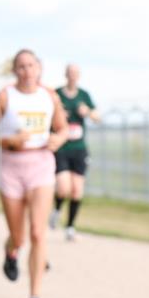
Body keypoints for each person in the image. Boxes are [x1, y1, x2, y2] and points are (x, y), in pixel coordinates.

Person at [0, 49, 68, 298]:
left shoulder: (50, 96)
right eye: (21, 66)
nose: (26, 71)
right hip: (12, 168)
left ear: (39, 68)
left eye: (31, 65)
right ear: (14, 71)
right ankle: (11, 252)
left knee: (39, 233)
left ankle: (35, 297)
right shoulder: (5, 97)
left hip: (41, 165)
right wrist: (9, 140)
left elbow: (63, 128)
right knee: (19, 236)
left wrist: (58, 139)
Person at [50, 63, 100, 241]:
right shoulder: (56, 94)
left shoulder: (84, 95)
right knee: (63, 188)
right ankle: (56, 210)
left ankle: (70, 227)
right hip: (62, 148)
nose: (72, 76)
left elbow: (97, 117)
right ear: (65, 74)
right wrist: (58, 114)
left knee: (77, 190)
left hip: (79, 149)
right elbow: (47, 115)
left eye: (75, 73)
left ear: (79, 76)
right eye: (70, 73)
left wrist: (87, 112)